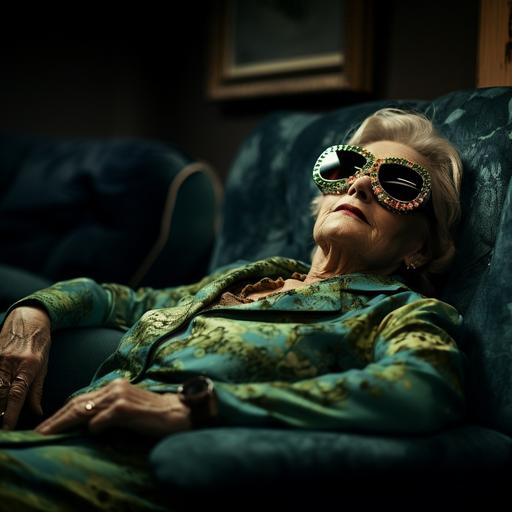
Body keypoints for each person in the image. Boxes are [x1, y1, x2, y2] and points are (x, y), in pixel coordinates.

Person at [0, 108, 467, 510]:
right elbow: (128, 301)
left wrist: (196, 406)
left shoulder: (402, 311)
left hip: (145, 474)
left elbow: (420, 388)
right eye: (347, 168)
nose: (361, 183)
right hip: (58, 440)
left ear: (420, 249)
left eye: (397, 184)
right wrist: (36, 311)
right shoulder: (250, 275)